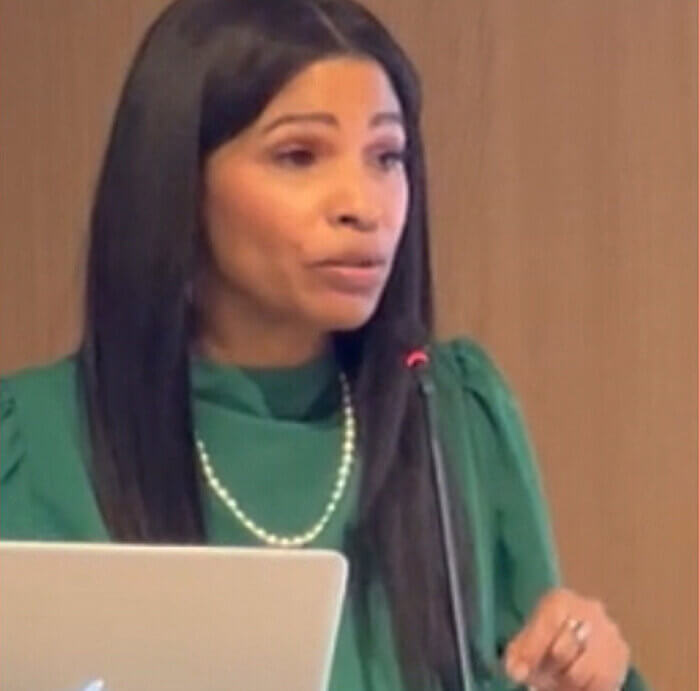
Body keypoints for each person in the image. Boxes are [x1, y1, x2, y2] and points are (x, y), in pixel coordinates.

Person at [0, 1, 650, 689]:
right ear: (178, 182)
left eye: (387, 157)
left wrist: (586, 670)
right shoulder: (32, 445)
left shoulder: (452, 415)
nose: (362, 206)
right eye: (299, 156)